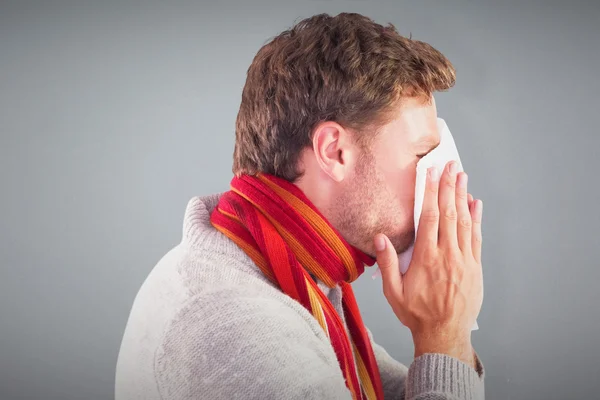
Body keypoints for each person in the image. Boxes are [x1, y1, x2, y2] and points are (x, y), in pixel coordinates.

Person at [115, 12, 485, 400]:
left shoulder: (293, 276)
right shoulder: (233, 326)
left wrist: (448, 335)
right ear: (334, 151)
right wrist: (445, 334)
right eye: (423, 154)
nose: (443, 179)